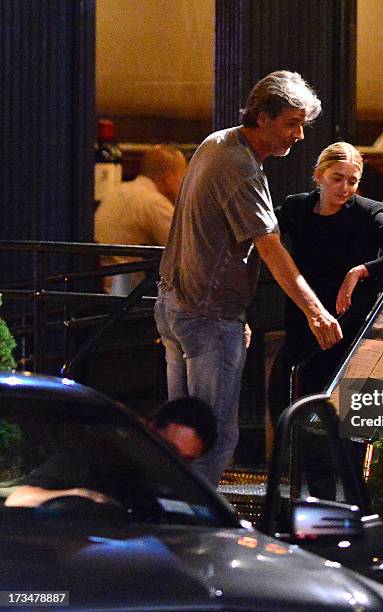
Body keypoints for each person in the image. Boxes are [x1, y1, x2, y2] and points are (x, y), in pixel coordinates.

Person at [154, 71, 343, 487]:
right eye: (291, 123)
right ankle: (197, 531)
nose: (299, 136)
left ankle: (176, 517)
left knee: (181, 435)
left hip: (176, 305)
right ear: (261, 117)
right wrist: (316, 312)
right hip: (206, 313)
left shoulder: (216, 142)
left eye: (302, 124)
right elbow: (270, 247)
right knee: (214, 437)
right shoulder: (240, 167)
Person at [273, 141, 383, 415]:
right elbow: (262, 233)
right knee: (293, 393)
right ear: (319, 175)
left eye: (352, 181)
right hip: (304, 313)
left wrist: (360, 270)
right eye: (337, 178)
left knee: (337, 400)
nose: (345, 188)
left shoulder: (366, 211)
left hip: (347, 318)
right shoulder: (298, 208)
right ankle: (297, 454)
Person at [4, 397, 217, 508]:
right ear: (150, 431)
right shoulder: (96, 459)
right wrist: (79, 496)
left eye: (186, 460)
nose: (174, 463)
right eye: (169, 451)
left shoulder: (185, 490)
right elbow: (20, 498)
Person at [94, 144, 187, 294]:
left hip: (100, 289)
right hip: (128, 298)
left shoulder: (118, 190)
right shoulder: (153, 202)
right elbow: (184, 250)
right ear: (169, 178)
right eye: (184, 176)